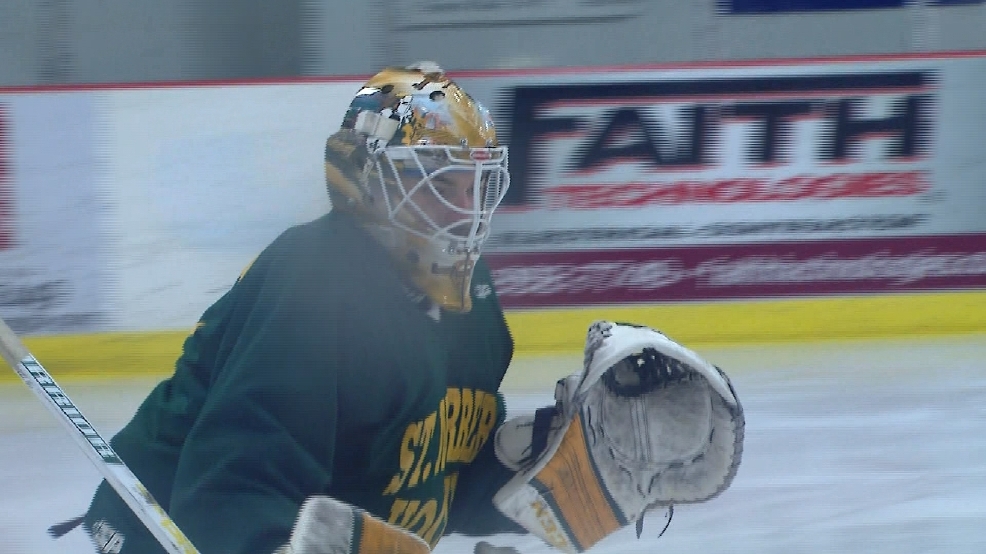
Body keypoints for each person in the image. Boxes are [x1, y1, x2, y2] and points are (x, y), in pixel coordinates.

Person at [74, 62, 745, 554]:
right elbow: (230, 490)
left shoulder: (472, 303)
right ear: (363, 182)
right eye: (438, 186)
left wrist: (543, 467)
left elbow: (423, 476)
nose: (465, 210)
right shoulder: (316, 287)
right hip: (164, 531)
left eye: (474, 186)